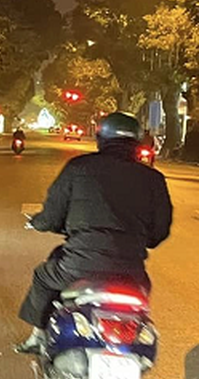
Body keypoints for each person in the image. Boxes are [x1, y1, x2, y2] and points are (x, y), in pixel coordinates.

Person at [15, 112, 173, 353]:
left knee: (43, 277)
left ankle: (37, 337)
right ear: (137, 142)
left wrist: (39, 223)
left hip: (78, 266)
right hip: (132, 273)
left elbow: (51, 216)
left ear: (101, 138)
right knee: (141, 306)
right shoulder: (153, 179)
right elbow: (159, 231)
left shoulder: (79, 168)